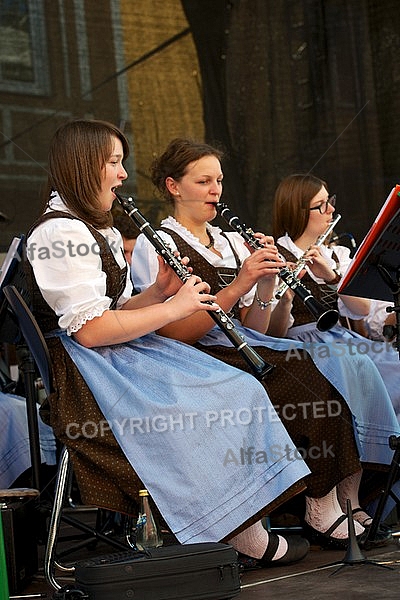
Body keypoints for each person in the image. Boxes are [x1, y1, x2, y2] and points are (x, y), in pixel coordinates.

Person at [24, 118, 316, 568]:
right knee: (224, 394)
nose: (123, 174)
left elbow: (116, 308)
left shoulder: (91, 226)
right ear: (84, 166)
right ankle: (233, 532)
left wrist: (158, 292)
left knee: (236, 385)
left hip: (111, 355)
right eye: (114, 163)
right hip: (87, 372)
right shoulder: (58, 234)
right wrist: (175, 308)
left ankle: (240, 526)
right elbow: (89, 328)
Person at [132, 137, 399, 550]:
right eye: (204, 181)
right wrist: (241, 281)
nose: (216, 190)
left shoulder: (231, 241)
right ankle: (312, 503)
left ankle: (337, 497)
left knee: (312, 364)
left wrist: (269, 283)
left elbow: (262, 328)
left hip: (242, 342)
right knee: (297, 372)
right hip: (193, 354)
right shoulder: (157, 243)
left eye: (218, 180)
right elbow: (174, 331)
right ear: (173, 186)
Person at [271, 173, 400, 419]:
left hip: (341, 338)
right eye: (321, 205)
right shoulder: (276, 255)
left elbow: (362, 310)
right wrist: (285, 296)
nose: (331, 209)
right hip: (303, 346)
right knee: (362, 368)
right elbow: (273, 331)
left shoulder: (337, 254)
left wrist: (332, 277)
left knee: (394, 361)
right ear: (298, 212)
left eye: (329, 200)